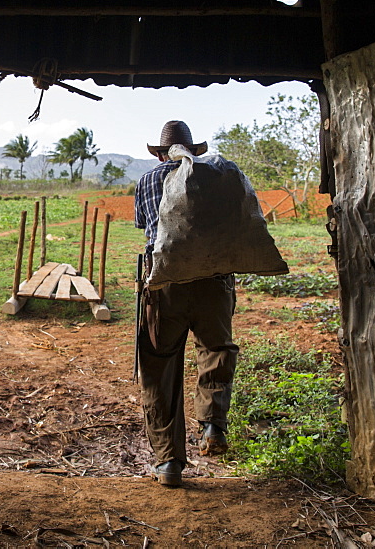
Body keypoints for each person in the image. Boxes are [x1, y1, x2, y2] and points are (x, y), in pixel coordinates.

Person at [134, 120, 238, 487]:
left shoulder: (148, 180)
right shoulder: (215, 176)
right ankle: (212, 422)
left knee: (160, 366)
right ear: (195, 150)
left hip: (164, 286)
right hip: (214, 282)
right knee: (216, 348)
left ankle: (168, 464)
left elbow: (146, 226)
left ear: (161, 153)